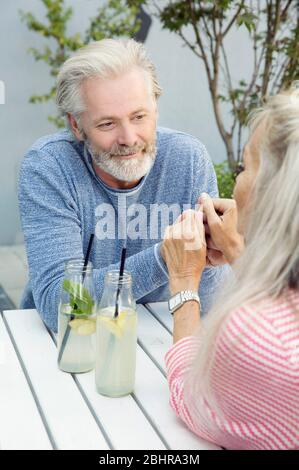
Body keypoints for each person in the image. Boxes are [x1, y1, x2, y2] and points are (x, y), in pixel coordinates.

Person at [18, 38, 227, 332]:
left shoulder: (187, 159)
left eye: (139, 116)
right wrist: (165, 258)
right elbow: (59, 306)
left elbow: (215, 304)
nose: (128, 138)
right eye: (107, 124)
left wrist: (211, 255)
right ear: (76, 126)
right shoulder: (50, 167)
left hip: (160, 329)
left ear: (155, 109)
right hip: (57, 344)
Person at [161, 86, 299, 450]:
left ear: (274, 191)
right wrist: (240, 248)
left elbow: (194, 397)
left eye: (243, 167)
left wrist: (184, 284)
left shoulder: (259, 334)